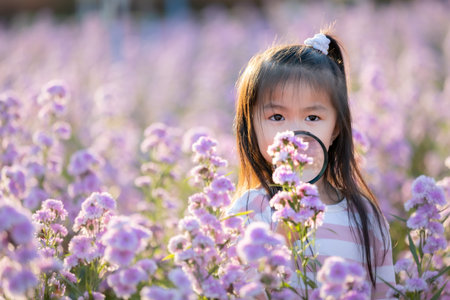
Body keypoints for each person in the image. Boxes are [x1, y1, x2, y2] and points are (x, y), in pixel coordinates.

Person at [227, 30, 396, 299]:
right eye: (277, 116)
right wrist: (281, 237)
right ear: (251, 127)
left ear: (336, 128)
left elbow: (385, 293)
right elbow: (237, 289)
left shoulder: (366, 217)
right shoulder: (249, 211)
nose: (294, 132)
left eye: (313, 117)